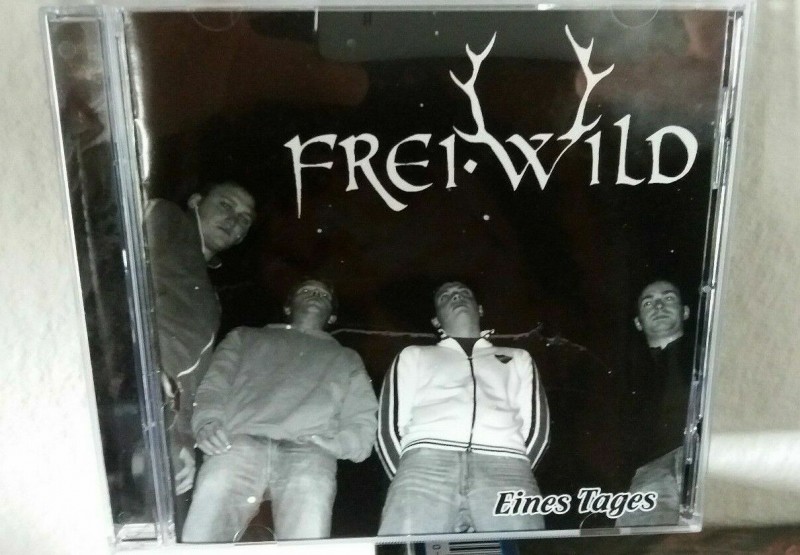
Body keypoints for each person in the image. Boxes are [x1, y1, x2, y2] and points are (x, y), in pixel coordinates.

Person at [182, 279, 378, 542]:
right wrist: (207, 422)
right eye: (306, 290)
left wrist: (339, 444)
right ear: (287, 307)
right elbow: (214, 383)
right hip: (238, 441)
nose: (314, 294)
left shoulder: (347, 358)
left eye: (322, 294)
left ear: (332, 316)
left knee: (307, 539)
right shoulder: (245, 337)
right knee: (204, 531)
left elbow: (362, 417)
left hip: (309, 450)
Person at [377, 281, 550, 535]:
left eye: (463, 292)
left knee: (519, 548)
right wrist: (408, 474)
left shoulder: (518, 357)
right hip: (425, 469)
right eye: (445, 296)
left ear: (480, 309)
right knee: (409, 548)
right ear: (436, 320)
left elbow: (537, 426)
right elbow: (389, 427)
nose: (456, 297)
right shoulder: (413, 355)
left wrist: (515, 466)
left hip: (506, 470)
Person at [143, 181, 255, 517]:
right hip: (126, 386)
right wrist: (138, 364)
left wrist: (182, 441)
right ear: (195, 201)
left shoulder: (210, 299)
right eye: (226, 205)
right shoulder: (166, 219)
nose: (234, 220)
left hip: (159, 416)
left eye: (245, 219)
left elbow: (192, 371)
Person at [616, 279, 693, 527]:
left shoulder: (708, 354)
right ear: (638, 322)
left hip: (706, 457)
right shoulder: (625, 375)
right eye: (648, 303)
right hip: (650, 471)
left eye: (668, 298)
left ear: (685, 311)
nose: (659, 306)